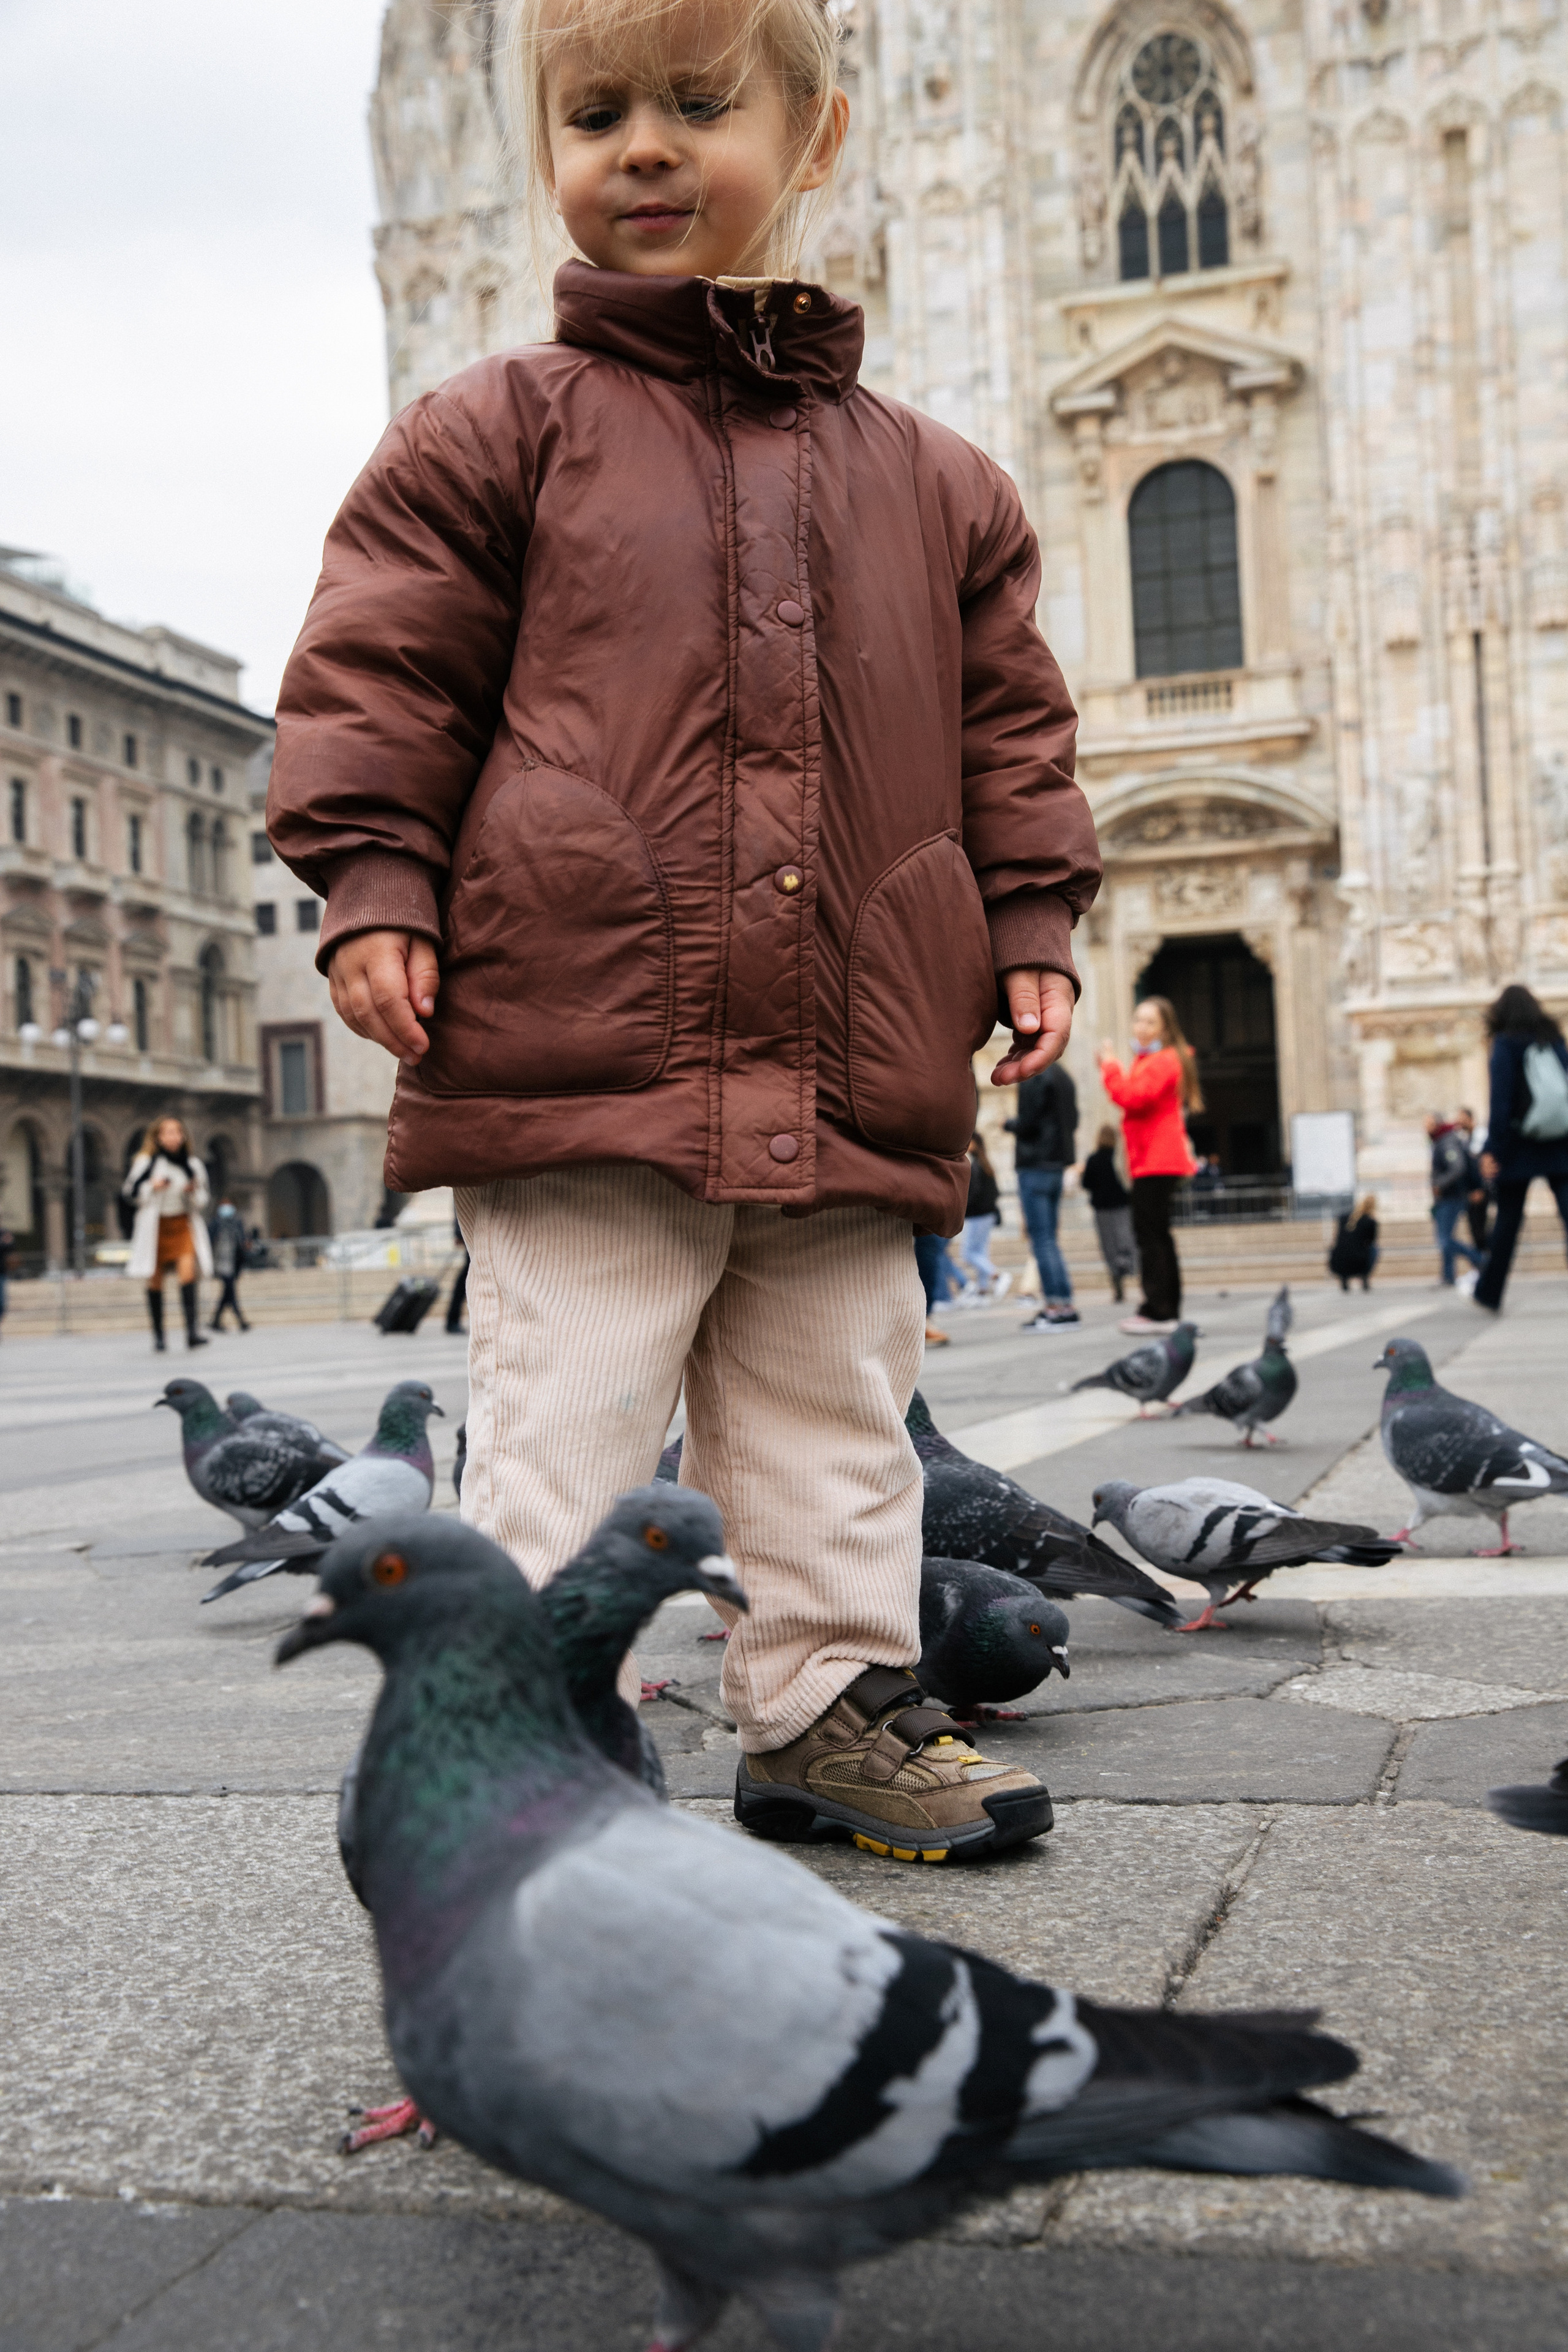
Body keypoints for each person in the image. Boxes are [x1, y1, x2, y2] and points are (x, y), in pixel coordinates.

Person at [265, 0, 1101, 1866]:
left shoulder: (939, 481)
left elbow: (1009, 726)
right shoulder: (495, 430)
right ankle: (510, 1736)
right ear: (542, 155)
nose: (642, 145)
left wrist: (1029, 914)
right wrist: (375, 882)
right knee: (563, 1418)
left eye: (698, 104)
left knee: (834, 1415)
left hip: (851, 1046)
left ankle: (827, 1710)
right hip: (587, 1041)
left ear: (817, 140)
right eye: (593, 111)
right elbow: (376, 672)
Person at [1098, 997, 1199, 1335]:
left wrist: (1110, 1067)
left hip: (1158, 1160)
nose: (1141, 1028)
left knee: (1151, 1236)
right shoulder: (1156, 1060)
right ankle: (1164, 1308)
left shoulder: (1163, 1061)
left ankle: (1159, 1310)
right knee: (1157, 1235)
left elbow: (1132, 1097)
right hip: (1152, 1159)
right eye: (1137, 1020)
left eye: (1149, 1023)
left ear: (1165, 1029)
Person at [1474, 986, 1568, 1314]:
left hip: (1518, 1145)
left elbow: (1501, 1104)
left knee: (1507, 1223)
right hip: (1560, 1142)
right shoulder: (1554, 1040)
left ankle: (1489, 1292)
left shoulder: (1505, 1045)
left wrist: (1491, 1151)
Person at [123, 1117, 213, 1352]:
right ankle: (159, 1335)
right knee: (155, 1279)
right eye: (168, 1132)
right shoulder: (146, 1162)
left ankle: (192, 1331)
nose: (173, 1137)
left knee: (188, 1274)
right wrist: (153, 1186)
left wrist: (191, 1192)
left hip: (182, 1223)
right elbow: (130, 1191)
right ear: (158, 1137)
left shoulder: (192, 1165)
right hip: (156, 1226)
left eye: (177, 1132)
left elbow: (203, 1199)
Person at [1007, 1056, 1079, 1331]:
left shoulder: (1035, 1074)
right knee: (1049, 1238)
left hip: (1035, 1164)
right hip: (1056, 1165)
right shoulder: (1064, 1075)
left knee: (1042, 1239)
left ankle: (1055, 1308)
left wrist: (1008, 1125)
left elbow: (1028, 1122)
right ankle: (1065, 1303)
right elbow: (1073, 1120)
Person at [1079, 1123, 1137, 1303]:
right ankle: (1130, 1269)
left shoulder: (1094, 1159)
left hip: (1102, 1208)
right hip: (1122, 1205)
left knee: (1109, 1245)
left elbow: (1086, 1183)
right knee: (1126, 1240)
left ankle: (1117, 1282)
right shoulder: (1119, 1158)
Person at [1426, 1112, 1485, 1290]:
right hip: (1448, 1197)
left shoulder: (1447, 1142)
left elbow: (1457, 1167)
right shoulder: (1443, 1141)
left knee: (1444, 1240)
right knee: (1445, 1238)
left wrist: (1440, 1184)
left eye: (1428, 1123)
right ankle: (1449, 1275)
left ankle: (1481, 1260)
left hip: (1451, 1197)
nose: (1425, 1127)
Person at [955, 1131, 1010, 1300]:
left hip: (977, 1215)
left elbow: (974, 1194)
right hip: (987, 1215)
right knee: (980, 1252)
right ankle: (983, 1289)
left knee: (968, 1253)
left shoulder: (977, 1167)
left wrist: (963, 1209)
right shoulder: (985, 1165)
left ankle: (998, 1276)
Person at [208, 1197, 251, 1330]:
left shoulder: (237, 1222)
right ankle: (241, 1321)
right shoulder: (215, 1224)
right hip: (220, 1261)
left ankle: (216, 1321)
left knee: (228, 1291)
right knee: (230, 1289)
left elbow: (243, 1240)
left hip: (234, 1262)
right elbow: (209, 1242)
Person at [1454, 1105, 1491, 1254]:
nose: (1459, 1123)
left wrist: (1481, 1189)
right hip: (1470, 1191)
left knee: (1480, 1229)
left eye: (1462, 1119)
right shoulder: (1464, 1138)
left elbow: (1481, 1166)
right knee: (1475, 1229)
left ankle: (1485, 1263)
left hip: (1481, 1190)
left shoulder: (1481, 1137)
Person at [1328, 1194, 1379, 1291]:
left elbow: (1338, 1237)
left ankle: (1345, 1278)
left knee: (1343, 1246)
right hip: (1360, 1260)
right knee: (1374, 1248)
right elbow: (1372, 1240)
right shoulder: (1371, 1221)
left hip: (1339, 1259)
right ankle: (1365, 1275)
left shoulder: (1343, 1217)